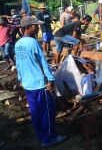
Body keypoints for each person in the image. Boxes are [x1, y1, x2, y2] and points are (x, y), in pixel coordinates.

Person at [15, 16, 66, 147]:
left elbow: (19, 64)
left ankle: (42, 137)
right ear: (27, 28)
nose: (38, 28)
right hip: (39, 84)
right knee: (47, 112)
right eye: (35, 26)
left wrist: (20, 78)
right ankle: (50, 138)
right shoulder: (32, 43)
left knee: (35, 112)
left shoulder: (18, 44)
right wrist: (50, 79)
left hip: (28, 84)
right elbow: (43, 63)